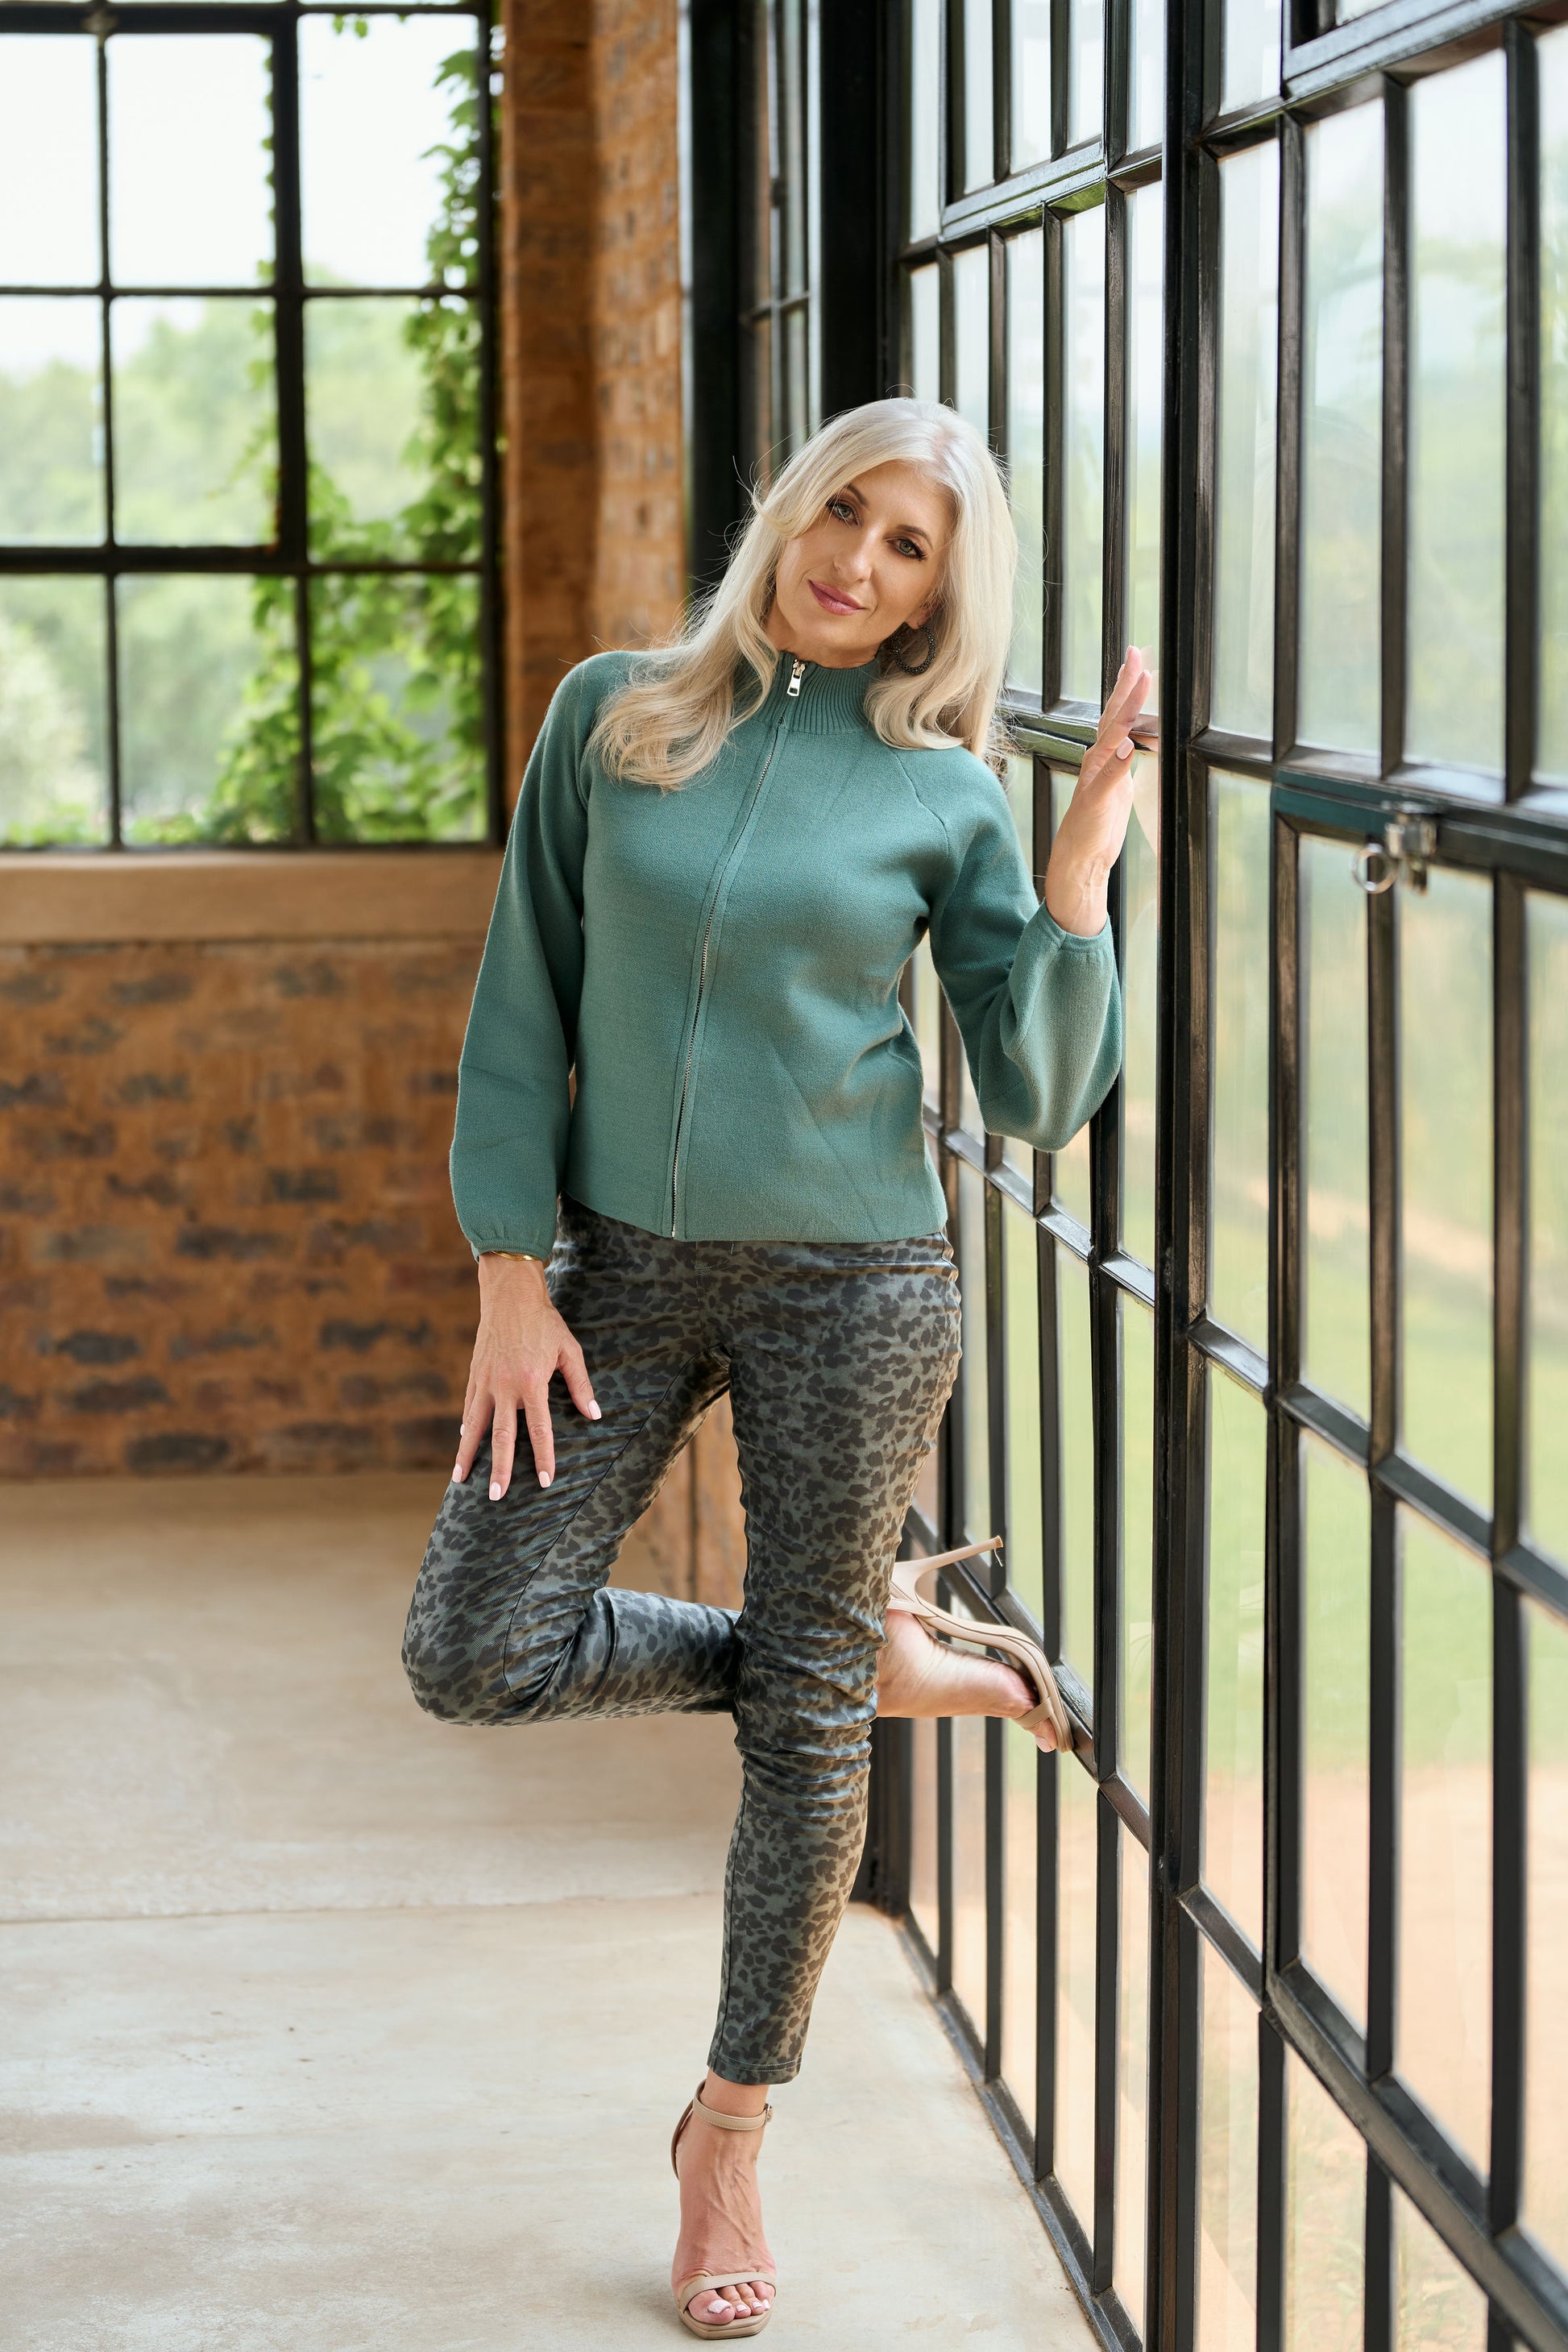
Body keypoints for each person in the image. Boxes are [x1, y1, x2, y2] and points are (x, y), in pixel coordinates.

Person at [400, 396, 1148, 2339]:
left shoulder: (937, 791)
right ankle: (846, 1654)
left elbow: (1046, 1084)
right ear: (789, 506)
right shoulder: (616, 712)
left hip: (855, 1276)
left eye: (910, 549)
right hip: (615, 1267)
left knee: (804, 1739)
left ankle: (729, 2126)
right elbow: (522, 996)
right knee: (472, 1647)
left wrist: (1073, 871)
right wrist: (508, 1269)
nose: (859, 562)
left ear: (934, 598)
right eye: (847, 513)